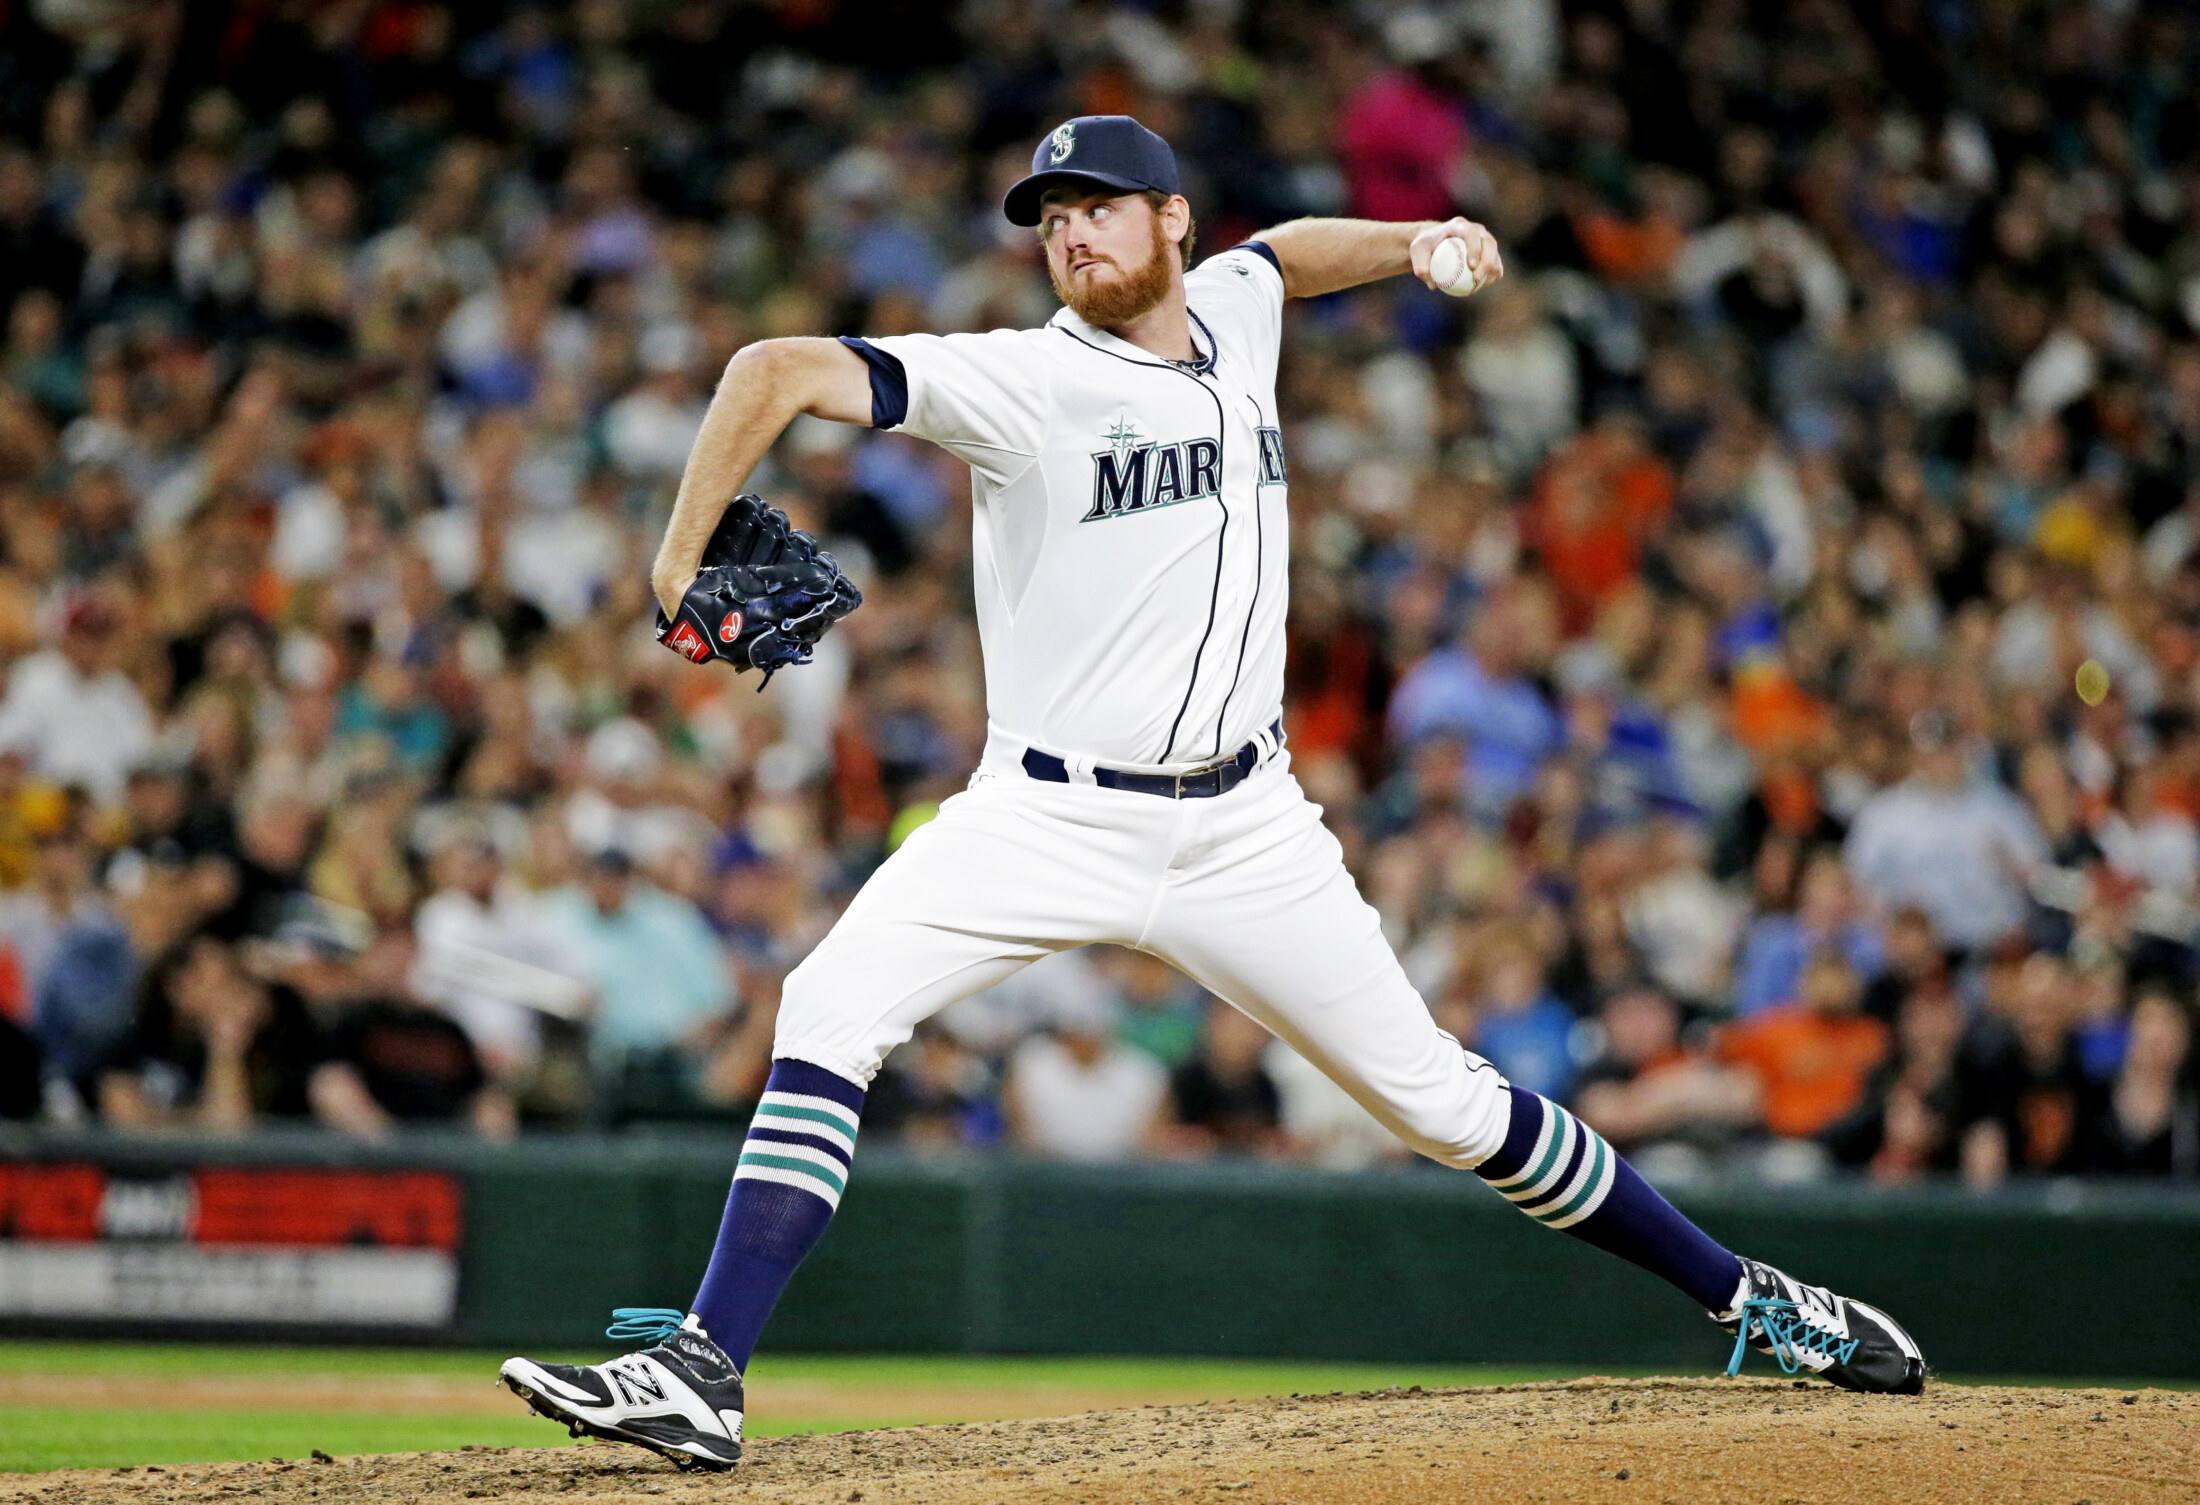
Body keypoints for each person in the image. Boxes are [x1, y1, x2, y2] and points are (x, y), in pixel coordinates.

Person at [497, 115, 1925, 1472]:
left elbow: (1287, 253)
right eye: (1051, 218)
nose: (1072, 235)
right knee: (826, 1007)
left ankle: (1752, 1299)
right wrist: (678, 561)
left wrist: (1417, 239)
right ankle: (701, 1370)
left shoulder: (1234, 307)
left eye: (1099, 208)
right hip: (1044, 812)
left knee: (1444, 1106)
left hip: (1249, 827)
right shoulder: (1025, 378)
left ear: (1170, 219)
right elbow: (771, 368)